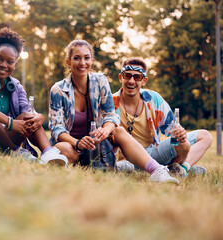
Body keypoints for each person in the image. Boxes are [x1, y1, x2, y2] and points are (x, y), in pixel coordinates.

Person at [49, 39, 179, 184]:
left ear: (92, 60)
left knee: (119, 131)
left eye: (87, 57)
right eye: (76, 58)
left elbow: (111, 115)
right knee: (62, 148)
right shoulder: (58, 89)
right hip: (73, 145)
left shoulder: (100, 81)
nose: (82, 63)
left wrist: (105, 130)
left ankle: (156, 171)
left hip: (99, 143)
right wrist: (78, 143)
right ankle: (91, 165)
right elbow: (56, 128)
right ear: (68, 61)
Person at [0, 27, 67, 166]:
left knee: (29, 117)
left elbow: (27, 110)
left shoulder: (16, 85)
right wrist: (11, 123)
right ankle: (14, 151)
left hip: (4, 141)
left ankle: (48, 153)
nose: (3, 65)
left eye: (9, 62)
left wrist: (39, 117)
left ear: (15, 64)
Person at [113, 57, 212, 177]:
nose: (131, 81)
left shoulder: (153, 99)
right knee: (183, 144)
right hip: (129, 158)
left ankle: (183, 169)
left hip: (154, 153)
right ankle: (177, 169)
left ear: (144, 81)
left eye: (137, 77)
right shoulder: (110, 103)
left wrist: (180, 133)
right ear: (120, 78)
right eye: (127, 76)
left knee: (204, 136)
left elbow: (173, 130)